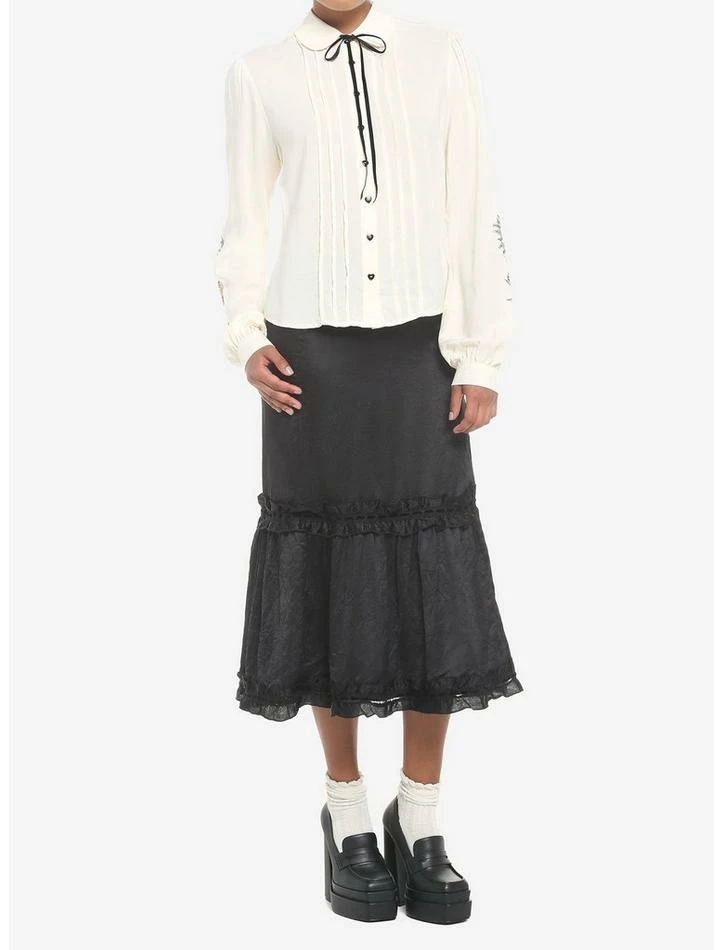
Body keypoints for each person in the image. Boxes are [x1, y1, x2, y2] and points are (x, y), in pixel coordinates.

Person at [215, 0, 523, 924]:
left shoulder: (440, 54)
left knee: (435, 582)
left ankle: (420, 818)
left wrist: (482, 354)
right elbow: (244, 225)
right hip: (309, 358)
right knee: (325, 578)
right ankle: (347, 812)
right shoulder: (259, 74)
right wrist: (245, 338)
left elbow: (474, 198)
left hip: (422, 348)